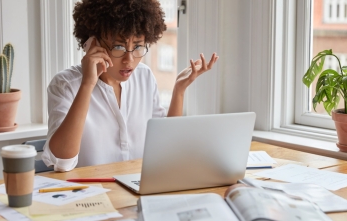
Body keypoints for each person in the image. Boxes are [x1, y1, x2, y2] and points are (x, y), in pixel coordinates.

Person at [42, 0, 219, 172]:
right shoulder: (65, 85)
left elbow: (165, 148)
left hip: (137, 192)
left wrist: (179, 91)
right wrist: (87, 84)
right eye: (118, 46)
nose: (130, 60)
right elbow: (62, 162)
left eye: (138, 47)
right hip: (91, 196)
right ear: (92, 43)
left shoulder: (144, 76)